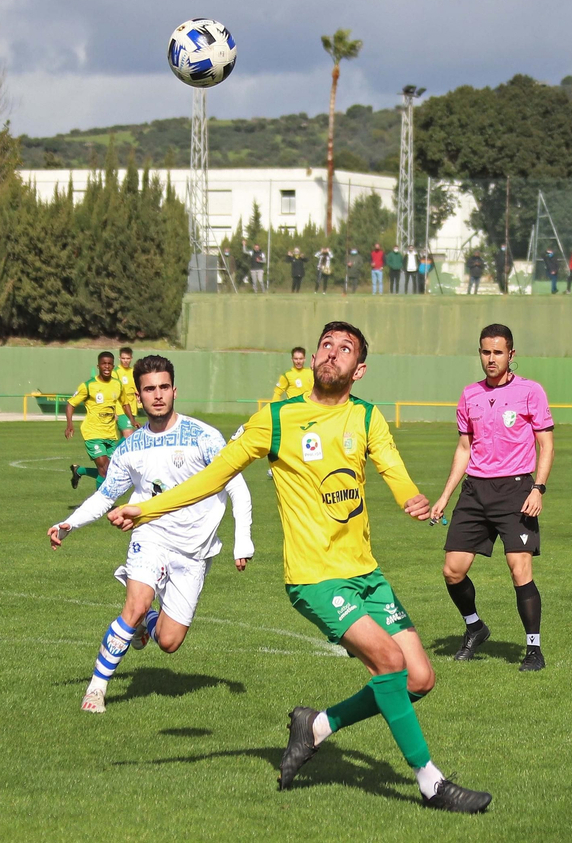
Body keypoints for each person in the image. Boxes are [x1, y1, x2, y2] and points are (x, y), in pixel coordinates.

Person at [106, 322, 492, 813]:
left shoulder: (368, 418)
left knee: (418, 679)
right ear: (313, 358)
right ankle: (431, 783)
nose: (332, 353)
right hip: (314, 577)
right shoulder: (277, 418)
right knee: (389, 665)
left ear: (360, 369)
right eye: (326, 345)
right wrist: (146, 508)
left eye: (345, 349)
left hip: (366, 574)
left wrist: (413, 499)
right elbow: (214, 476)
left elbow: (395, 473)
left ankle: (316, 727)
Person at [49, 355, 254, 713]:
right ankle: (96, 690)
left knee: (169, 642)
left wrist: (243, 539)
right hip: (151, 536)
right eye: (149, 389)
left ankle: (150, 622)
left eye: (163, 387)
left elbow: (237, 486)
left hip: (195, 548)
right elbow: (105, 495)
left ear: (174, 391)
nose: (157, 395)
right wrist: (70, 524)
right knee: (135, 604)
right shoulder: (130, 448)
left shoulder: (203, 437)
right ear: (139, 397)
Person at [431, 324, 555, 672]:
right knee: (452, 571)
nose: (491, 358)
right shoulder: (469, 394)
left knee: (520, 570)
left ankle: (533, 649)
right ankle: (475, 627)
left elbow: (546, 444)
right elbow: (464, 448)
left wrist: (538, 488)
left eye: (498, 352)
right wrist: (445, 496)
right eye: (485, 352)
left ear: (511, 355)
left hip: (516, 490)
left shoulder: (530, 392)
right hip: (475, 491)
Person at [67, 351, 135, 490]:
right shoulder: (88, 385)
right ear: (98, 365)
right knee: (104, 470)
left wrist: (132, 420)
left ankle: (79, 471)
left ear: (113, 365)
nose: (107, 366)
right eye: (104, 363)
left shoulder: (117, 384)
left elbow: (125, 403)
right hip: (92, 433)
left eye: (109, 364)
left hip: (110, 434)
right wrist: (70, 425)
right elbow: (71, 404)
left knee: (109, 471)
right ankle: (101, 505)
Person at [113, 347, 141, 438]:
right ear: (119, 358)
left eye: (128, 358)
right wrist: (114, 412)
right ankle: (114, 452)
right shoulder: (115, 372)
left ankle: (117, 452)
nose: (125, 361)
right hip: (120, 409)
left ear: (131, 358)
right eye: (123, 358)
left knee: (124, 437)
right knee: (129, 435)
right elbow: (112, 393)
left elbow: (136, 389)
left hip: (132, 409)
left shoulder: (134, 372)